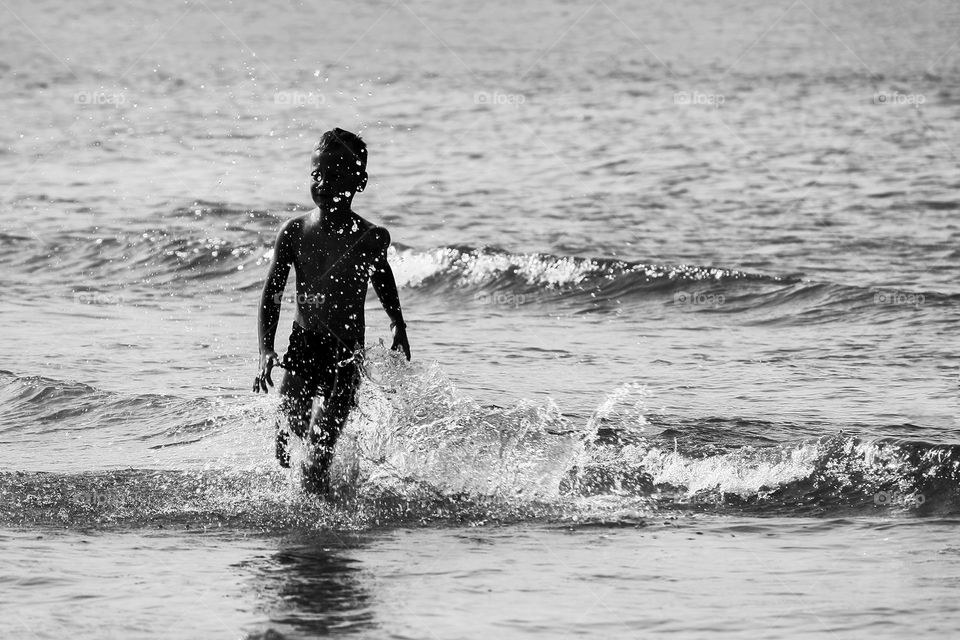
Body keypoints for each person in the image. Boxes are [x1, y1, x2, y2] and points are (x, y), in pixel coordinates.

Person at [253, 128, 410, 494]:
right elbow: (271, 294)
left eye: (337, 175)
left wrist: (397, 324)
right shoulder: (294, 232)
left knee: (319, 451)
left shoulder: (370, 237)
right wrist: (265, 349)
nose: (324, 183)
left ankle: (323, 523)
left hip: (346, 354)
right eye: (317, 174)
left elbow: (382, 278)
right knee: (288, 436)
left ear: (360, 182)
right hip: (305, 344)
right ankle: (306, 527)